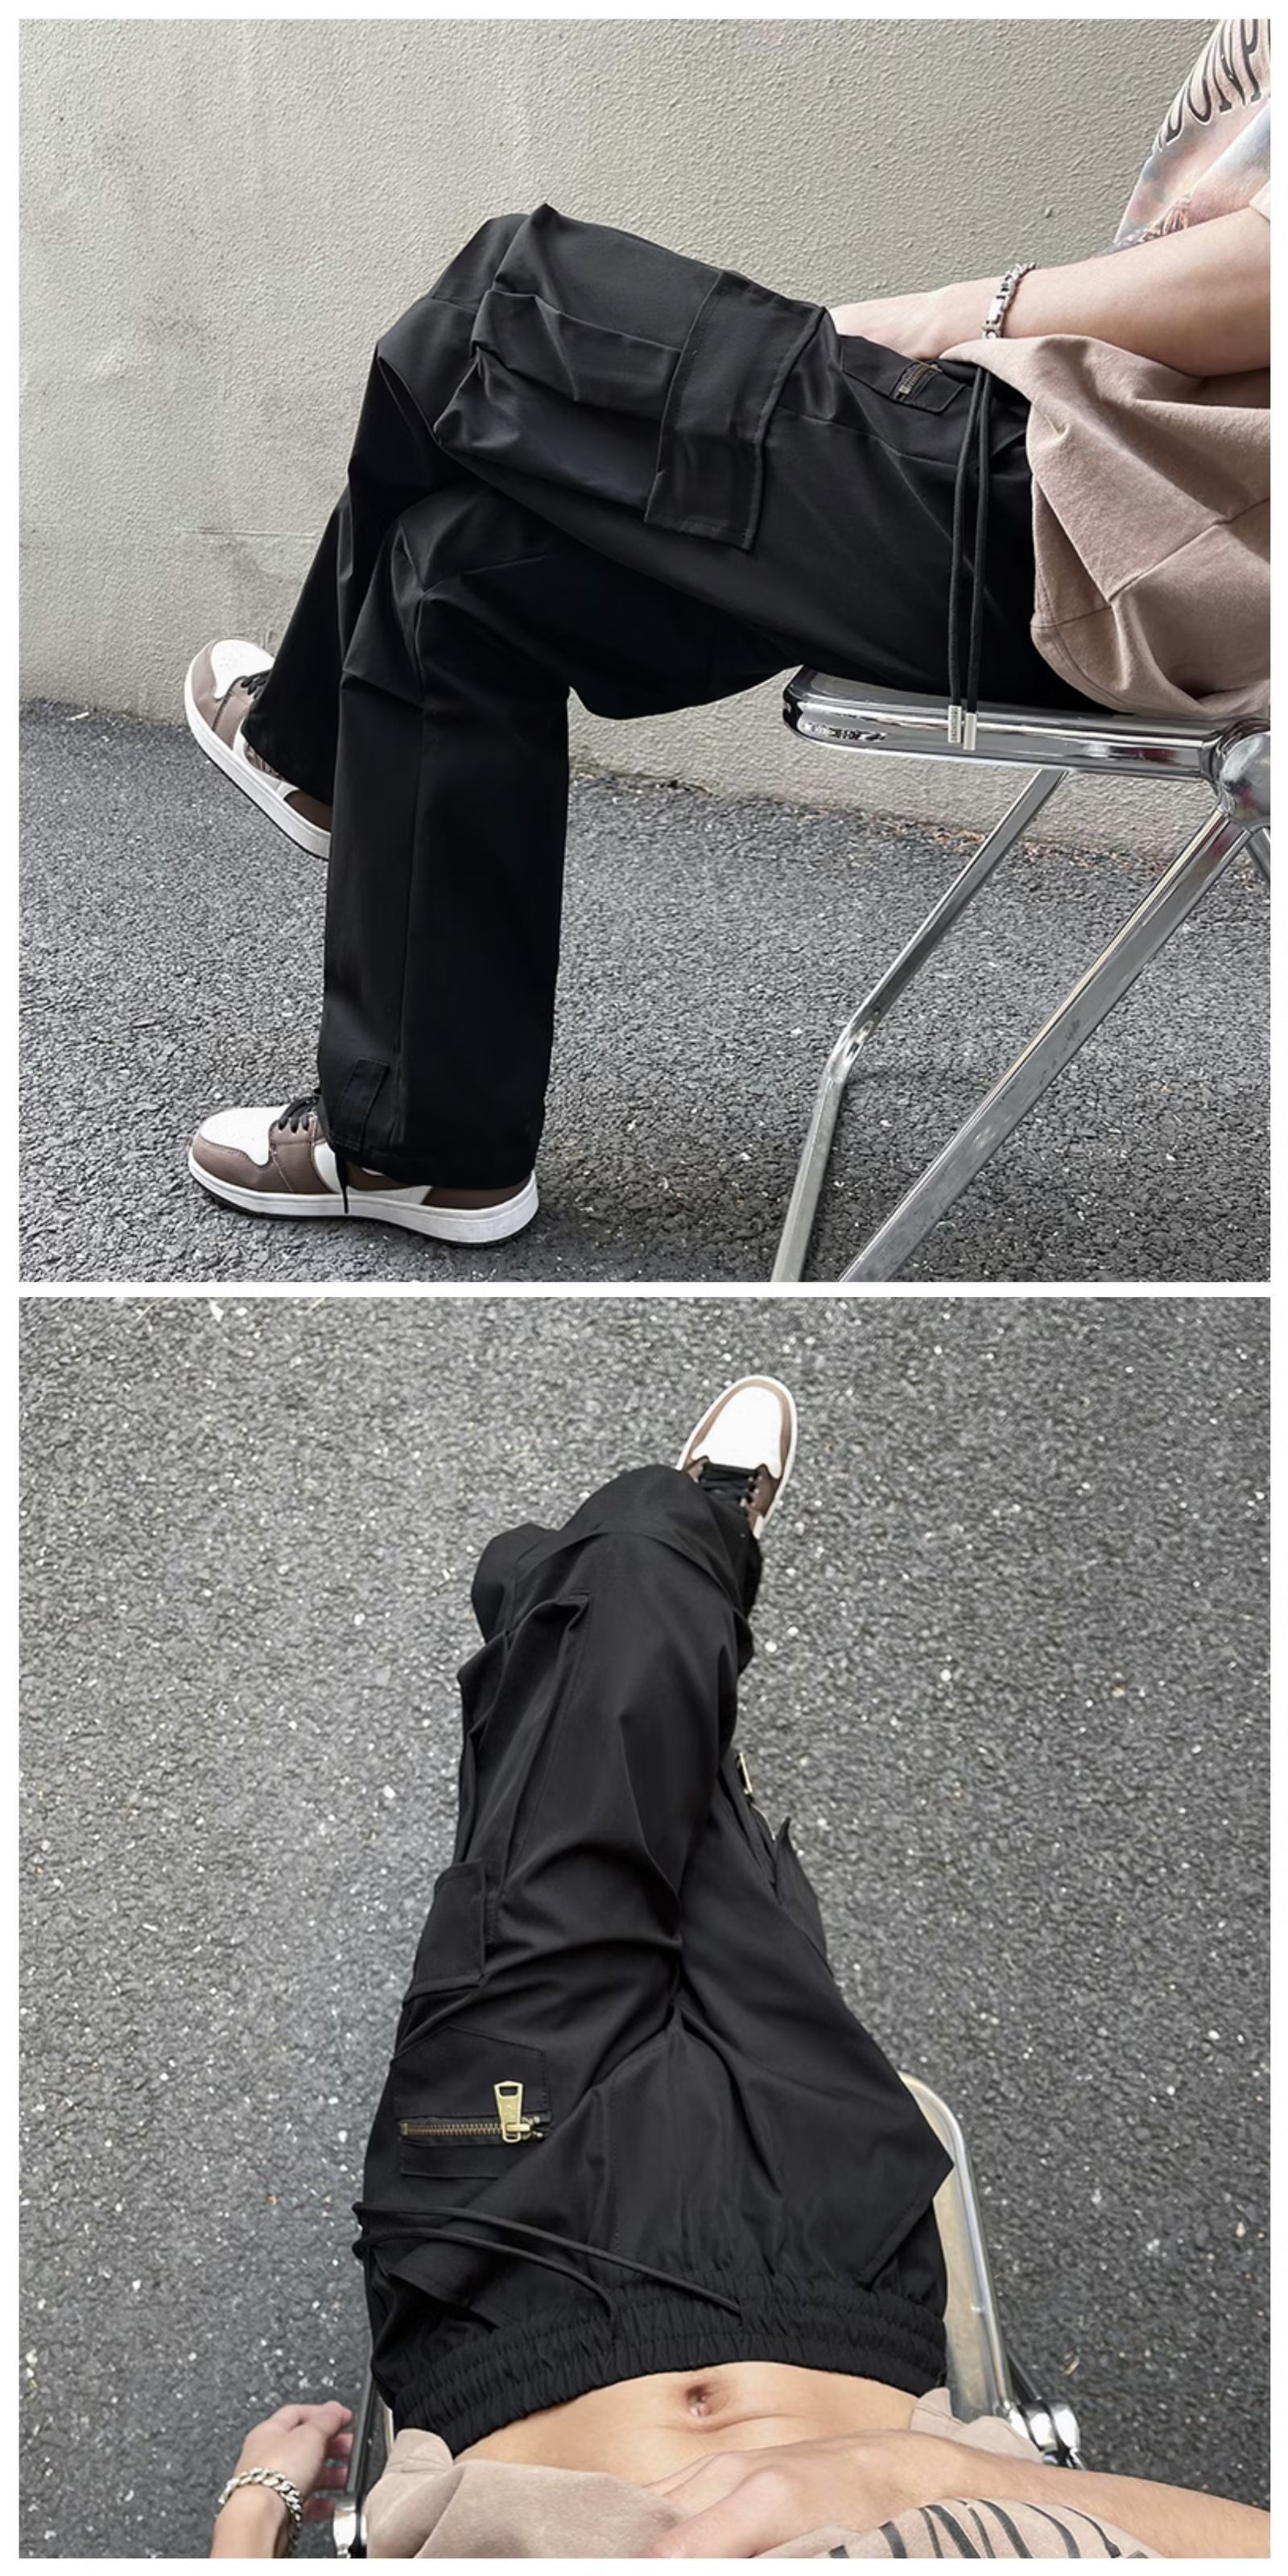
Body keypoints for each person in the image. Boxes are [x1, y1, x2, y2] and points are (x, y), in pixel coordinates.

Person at [184, 19, 1269, 1254]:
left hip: (1102, 522)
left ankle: (313, 751)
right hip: (1085, 495)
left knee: (503, 300)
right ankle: (421, 1149)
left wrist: (953, 313)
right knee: (457, 569)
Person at [209, 1377, 1269, 2559]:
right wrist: (913, 2468)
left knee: (569, 1827)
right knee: (704, 1844)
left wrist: (253, 2508)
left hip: (509, 2291)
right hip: (837, 2279)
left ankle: (643, 1555)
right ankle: (575, 1596)